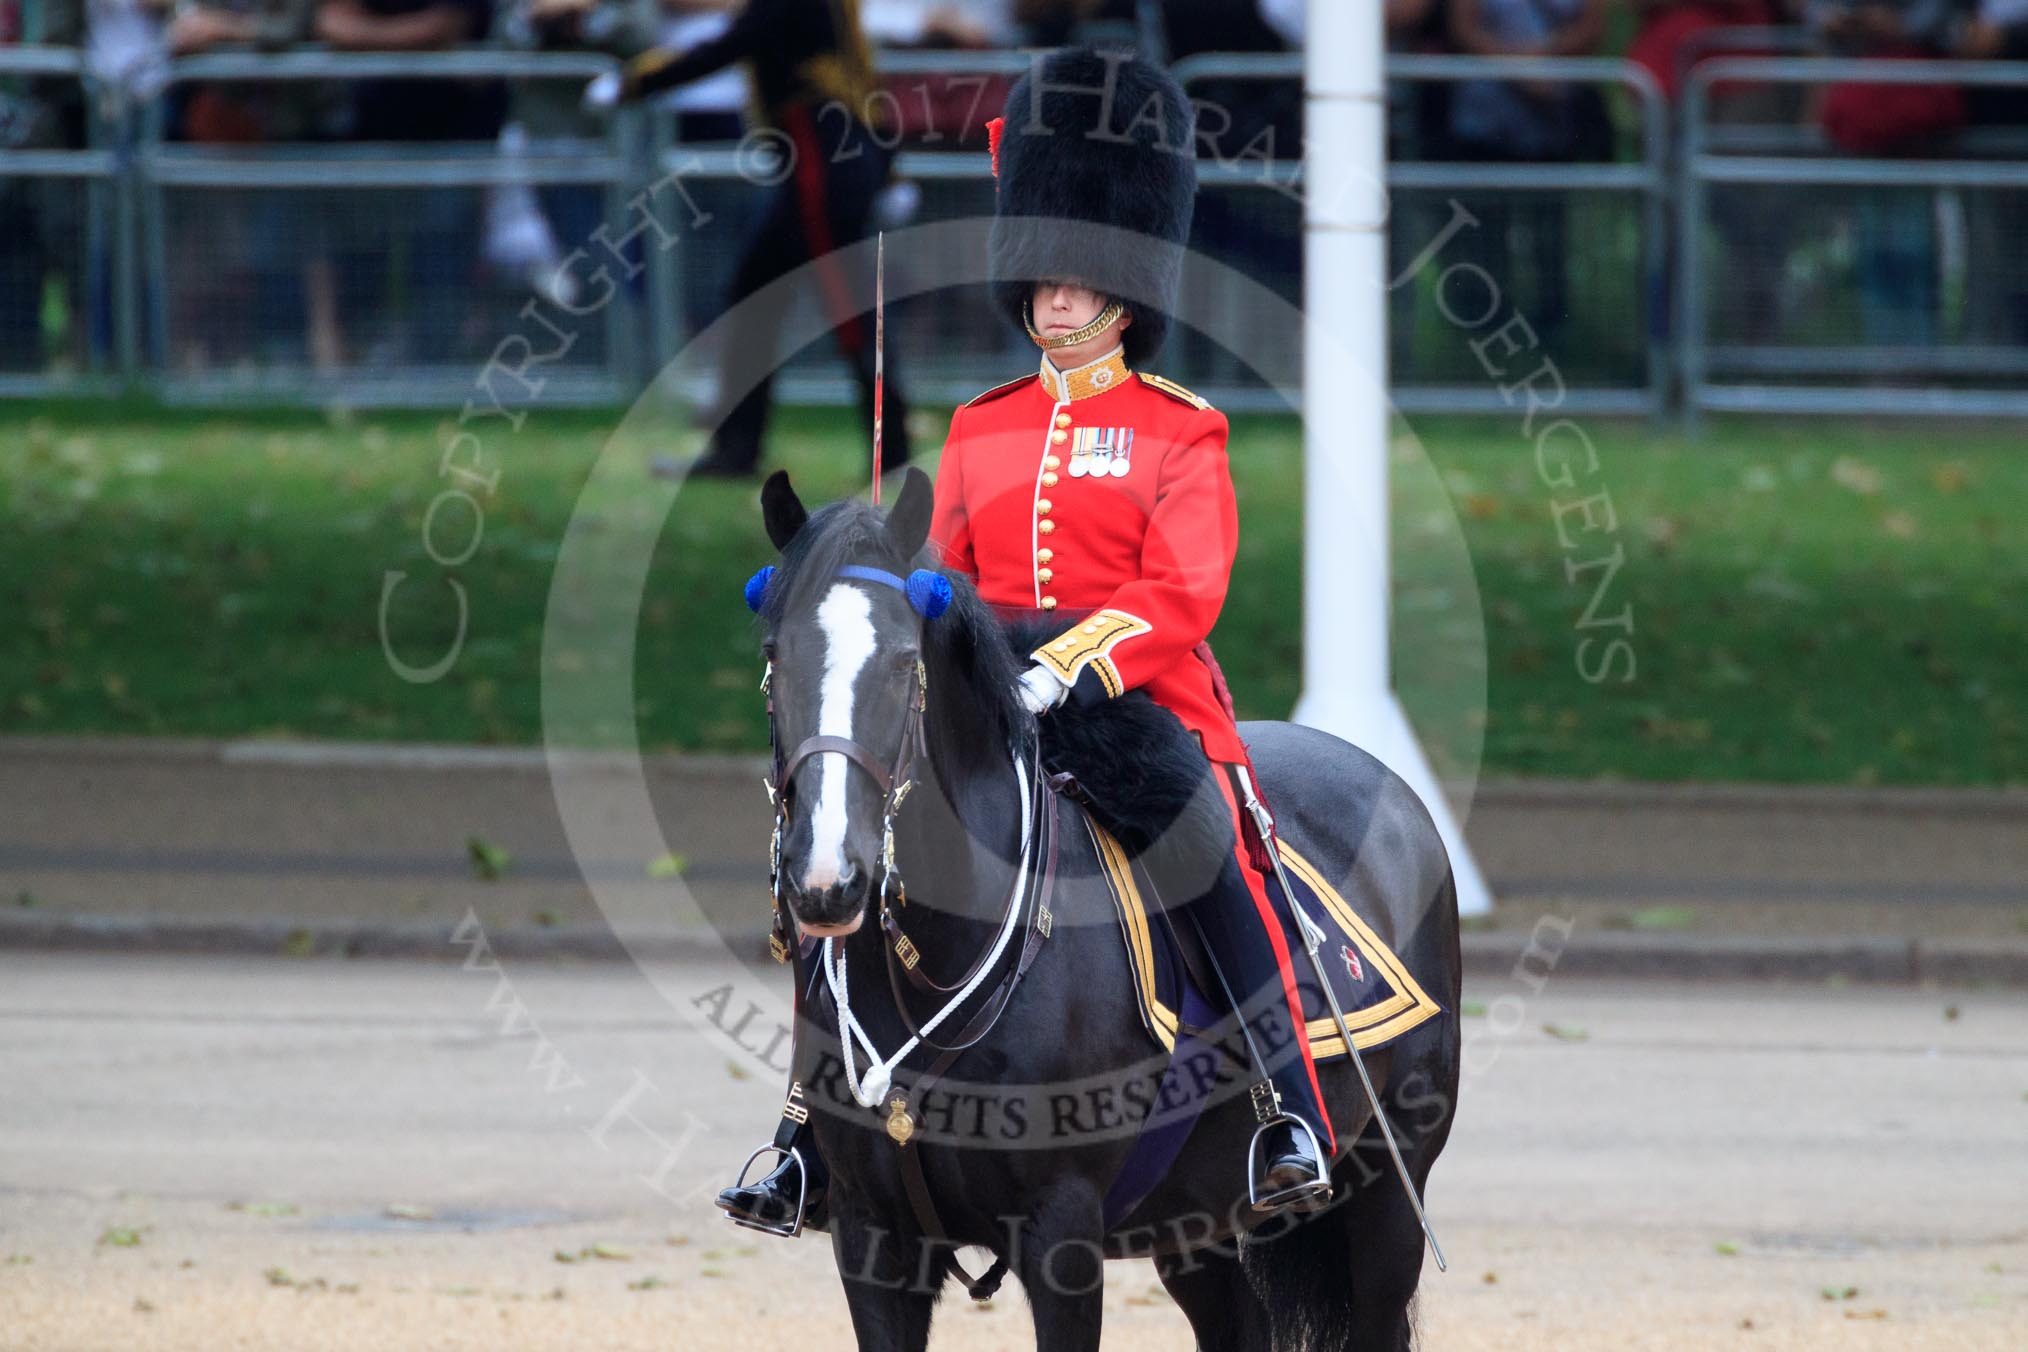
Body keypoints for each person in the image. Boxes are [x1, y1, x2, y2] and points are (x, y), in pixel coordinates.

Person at [718, 49, 1335, 1235]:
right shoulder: (982, 425)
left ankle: (1282, 1109)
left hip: (1132, 701)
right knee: (845, 867)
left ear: (1125, 291)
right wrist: (863, 591)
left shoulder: (1179, 429)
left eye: (1080, 283)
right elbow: (945, 572)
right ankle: (808, 1128)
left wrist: (1073, 663)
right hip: (991, 703)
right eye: (1042, 283)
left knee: (1215, 865)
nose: (1056, 300)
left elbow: (1184, 591)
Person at [584, 0, 910, 479]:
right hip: (818, 170)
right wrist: (887, 168)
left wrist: (635, 83)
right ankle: (736, 448)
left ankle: (894, 455)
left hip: (822, 172)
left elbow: (727, 47)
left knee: (850, 315)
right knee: (753, 300)